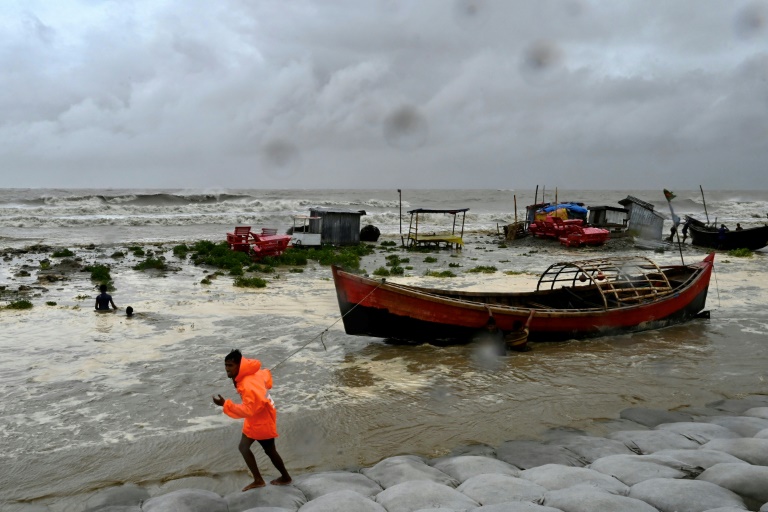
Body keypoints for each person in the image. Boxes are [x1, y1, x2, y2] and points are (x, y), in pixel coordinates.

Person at [213, 349, 292, 491]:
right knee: (249, 448)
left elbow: (249, 410)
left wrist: (225, 405)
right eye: (225, 365)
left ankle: (273, 478)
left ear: (238, 365)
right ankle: (269, 478)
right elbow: (266, 375)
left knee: (266, 450)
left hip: (261, 419)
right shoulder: (250, 373)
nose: (227, 369)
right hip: (258, 417)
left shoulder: (248, 384)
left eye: (230, 366)